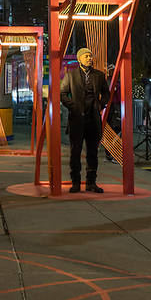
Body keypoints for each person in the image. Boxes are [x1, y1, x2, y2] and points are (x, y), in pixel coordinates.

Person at [60, 47, 110, 193]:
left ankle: (91, 182)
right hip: (77, 119)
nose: (89, 58)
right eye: (86, 56)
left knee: (93, 152)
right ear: (80, 58)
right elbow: (62, 93)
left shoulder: (99, 75)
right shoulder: (71, 75)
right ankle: (75, 182)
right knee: (75, 152)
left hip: (93, 119)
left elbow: (106, 93)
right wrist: (72, 106)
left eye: (90, 56)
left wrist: (101, 105)